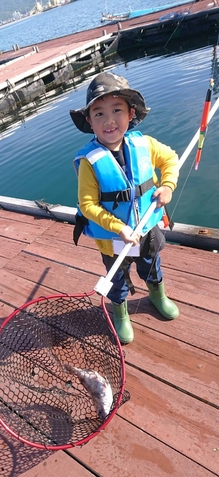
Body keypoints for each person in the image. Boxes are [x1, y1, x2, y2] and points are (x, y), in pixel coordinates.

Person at [69, 71, 180, 344]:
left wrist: (167, 186)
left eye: (117, 110)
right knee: (117, 277)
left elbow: (170, 160)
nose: (109, 120)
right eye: (99, 114)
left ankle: (157, 294)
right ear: (89, 121)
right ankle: (120, 312)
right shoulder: (89, 162)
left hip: (148, 227)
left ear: (131, 114)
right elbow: (88, 205)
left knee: (152, 263)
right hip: (113, 239)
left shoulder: (145, 144)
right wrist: (118, 227)